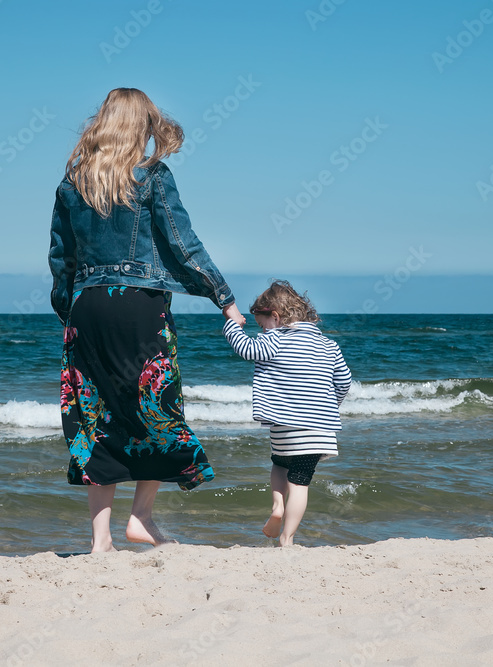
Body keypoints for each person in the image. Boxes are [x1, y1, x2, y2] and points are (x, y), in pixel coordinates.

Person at [49, 87, 246, 553]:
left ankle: (100, 542)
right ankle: (140, 519)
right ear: (142, 127)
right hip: (138, 305)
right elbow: (183, 244)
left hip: (87, 307)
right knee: (156, 407)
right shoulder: (153, 177)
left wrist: (69, 313)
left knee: (94, 415)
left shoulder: (72, 183)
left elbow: (62, 261)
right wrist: (225, 299)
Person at [223, 280, 351, 546]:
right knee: (301, 483)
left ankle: (277, 507)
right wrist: (330, 405)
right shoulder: (329, 346)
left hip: (286, 425)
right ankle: (288, 538)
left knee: (279, 464)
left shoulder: (276, 338)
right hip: (320, 429)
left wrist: (232, 323)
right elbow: (344, 382)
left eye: (261, 324)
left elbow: (246, 349)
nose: (262, 330)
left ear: (276, 317)